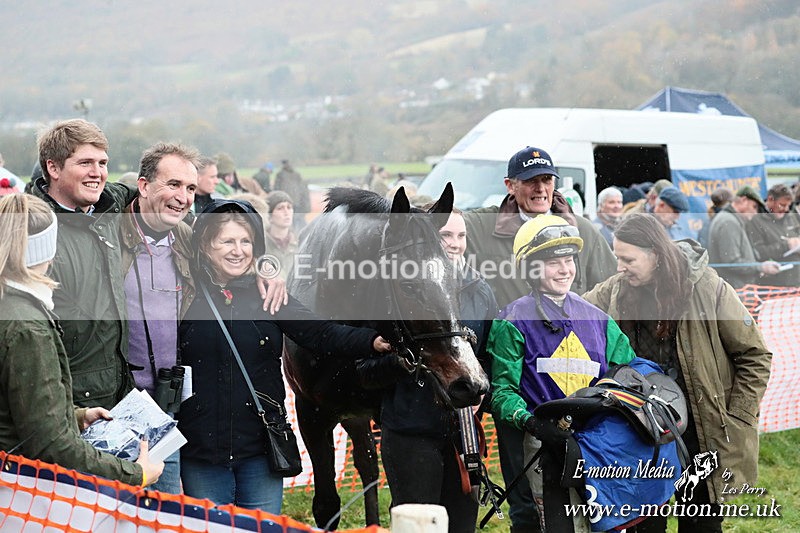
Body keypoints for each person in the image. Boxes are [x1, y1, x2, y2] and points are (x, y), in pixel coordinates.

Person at [178, 199, 391, 513]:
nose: (238, 250)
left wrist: (373, 342)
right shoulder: (183, 294)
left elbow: (322, 334)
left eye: (245, 241)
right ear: (205, 246)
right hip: (202, 451)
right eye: (227, 241)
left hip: (260, 450)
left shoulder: (269, 295)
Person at [583, 213, 772, 533]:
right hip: (643, 430)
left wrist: (736, 415)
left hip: (701, 431)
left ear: (656, 255)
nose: (619, 266)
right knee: (643, 525)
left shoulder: (708, 288)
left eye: (628, 258)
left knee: (700, 526)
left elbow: (755, 356)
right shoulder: (615, 291)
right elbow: (574, 312)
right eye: (617, 257)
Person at [463, 146, 616, 533]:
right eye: (530, 181)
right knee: (530, 507)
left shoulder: (582, 231)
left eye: (546, 179)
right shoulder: (481, 227)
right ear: (510, 186)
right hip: (514, 376)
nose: (540, 187)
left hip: (582, 396)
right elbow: (441, 228)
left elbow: (612, 286)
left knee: (590, 504)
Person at [0, 194, 164, 488]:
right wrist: (135, 474)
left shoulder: (12, 306)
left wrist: (74, 415)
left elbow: (17, 406)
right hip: (22, 488)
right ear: (48, 251)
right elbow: (52, 445)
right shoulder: (27, 327)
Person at [356, 206, 498, 533]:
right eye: (445, 235)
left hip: (463, 435)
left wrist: (482, 396)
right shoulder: (393, 293)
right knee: (417, 527)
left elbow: (489, 359)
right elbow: (364, 371)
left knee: (462, 526)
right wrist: (401, 362)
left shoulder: (480, 290)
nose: (454, 243)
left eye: (461, 235)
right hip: (410, 432)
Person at [490, 215, 636, 532]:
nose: (564, 269)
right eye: (553, 262)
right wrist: (532, 423)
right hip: (543, 445)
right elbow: (501, 392)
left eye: (569, 260)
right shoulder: (512, 320)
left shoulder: (599, 320)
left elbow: (630, 375)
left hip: (598, 444)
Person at [31, 118, 137, 410]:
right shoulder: (32, 229)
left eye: (103, 163)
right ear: (53, 168)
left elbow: (147, 196)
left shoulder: (109, 204)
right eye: (86, 163)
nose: (97, 173)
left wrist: (262, 268)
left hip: (117, 396)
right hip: (69, 405)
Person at [120, 142, 200, 494]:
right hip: (113, 406)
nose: (182, 197)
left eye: (191, 188)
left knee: (166, 512)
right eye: (173, 184)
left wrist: (267, 269)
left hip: (166, 408)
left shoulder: (187, 238)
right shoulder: (108, 235)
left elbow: (237, 261)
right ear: (144, 186)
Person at [707, 185, 781, 288]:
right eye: (754, 207)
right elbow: (732, 262)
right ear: (743, 200)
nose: (755, 213)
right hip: (735, 290)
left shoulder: (730, 219)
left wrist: (758, 267)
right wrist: (761, 267)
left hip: (736, 289)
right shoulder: (729, 222)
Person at [746, 183, 800, 287]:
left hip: (796, 279)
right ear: (770, 200)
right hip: (775, 284)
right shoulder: (755, 221)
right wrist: (786, 245)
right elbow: (758, 253)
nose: (786, 209)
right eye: (782, 205)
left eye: (788, 205)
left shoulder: (792, 217)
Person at [264, 190, 298, 281]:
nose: (286, 212)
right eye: (280, 208)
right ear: (269, 216)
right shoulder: (260, 244)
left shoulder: (301, 242)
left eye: (289, 207)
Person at [273, 159, 311, 231]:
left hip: (286, 199)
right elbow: (302, 188)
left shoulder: (280, 175)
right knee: (298, 218)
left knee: (288, 218)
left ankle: (292, 233)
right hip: (296, 200)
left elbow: (276, 188)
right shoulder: (297, 174)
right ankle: (303, 232)